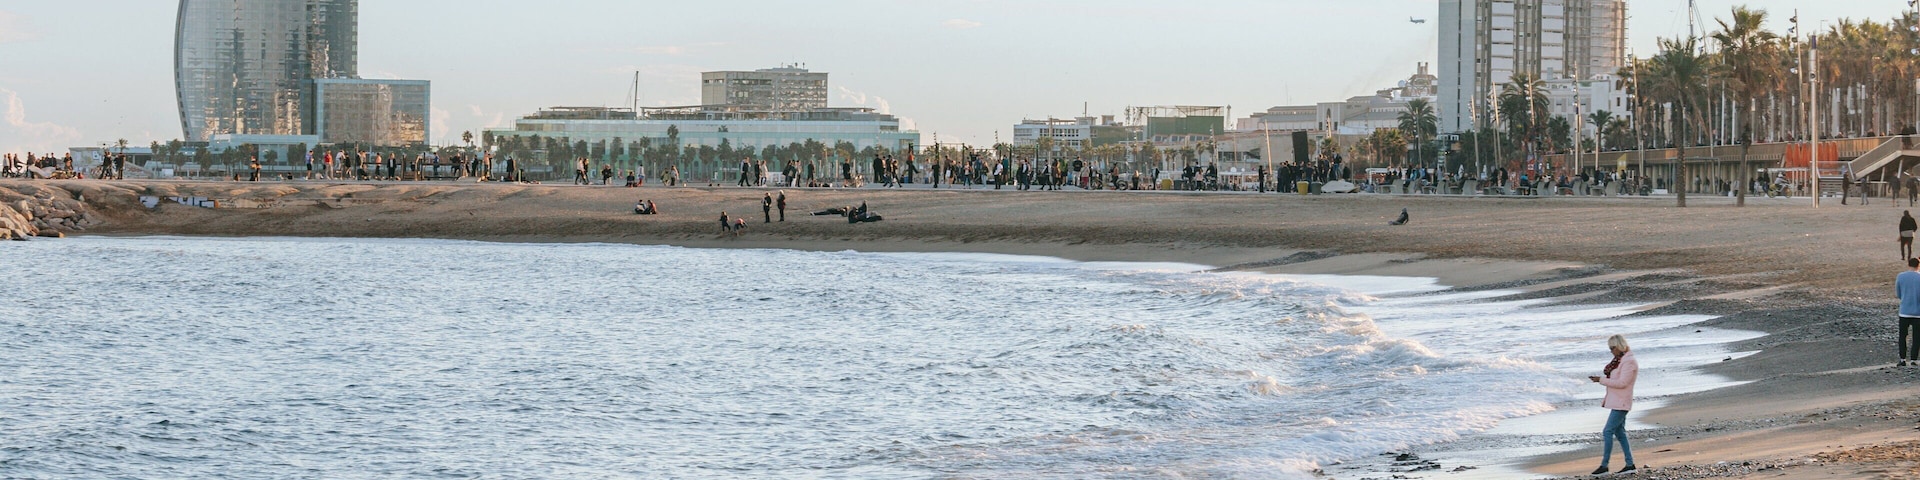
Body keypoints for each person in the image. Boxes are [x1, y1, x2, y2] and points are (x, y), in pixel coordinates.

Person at [1588, 334, 1639, 475]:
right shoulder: (1620, 361)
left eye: (1612, 348)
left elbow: (1623, 383)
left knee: (1608, 431)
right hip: (1617, 401)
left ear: (1619, 346)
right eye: (1610, 348)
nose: (1611, 351)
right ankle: (1630, 464)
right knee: (1619, 432)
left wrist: (1601, 380)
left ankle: (1604, 465)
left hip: (1622, 402)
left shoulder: (1629, 362)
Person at [1898, 257, 1920, 367]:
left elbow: (1898, 293)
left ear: (1908, 264)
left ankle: (1902, 359)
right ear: (1918, 265)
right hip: (1918, 313)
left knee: (1902, 336)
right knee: (1917, 337)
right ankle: (1914, 359)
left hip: (1904, 311)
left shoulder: (1901, 276)